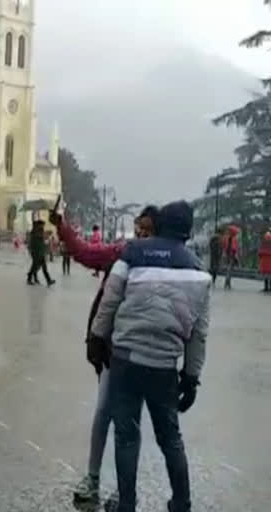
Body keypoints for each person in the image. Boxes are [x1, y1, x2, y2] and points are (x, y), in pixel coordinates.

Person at [89, 201, 209, 512]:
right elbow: (198, 332)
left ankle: (126, 504)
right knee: (170, 438)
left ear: (160, 224)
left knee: (126, 435)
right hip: (164, 367)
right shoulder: (198, 270)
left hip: (126, 360)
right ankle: (181, 503)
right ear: (188, 230)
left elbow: (110, 299)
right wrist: (192, 377)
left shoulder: (133, 253)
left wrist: (97, 338)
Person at [52, 206, 157, 505]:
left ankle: (125, 491)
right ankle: (93, 478)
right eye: (138, 230)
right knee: (103, 412)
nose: (140, 236)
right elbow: (86, 253)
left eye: (146, 231)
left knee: (130, 421)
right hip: (112, 349)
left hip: (141, 352)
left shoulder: (166, 266)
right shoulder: (121, 252)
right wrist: (63, 228)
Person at [27, 220, 55, 286]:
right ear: (39, 224)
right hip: (36, 252)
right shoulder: (35, 231)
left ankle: (48, 280)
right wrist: (46, 234)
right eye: (42, 224)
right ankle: (29, 278)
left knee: (44, 267)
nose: (43, 226)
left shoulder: (39, 231)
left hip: (41, 252)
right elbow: (41, 236)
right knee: (34, 266)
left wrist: (46, 235)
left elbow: (43, 238)